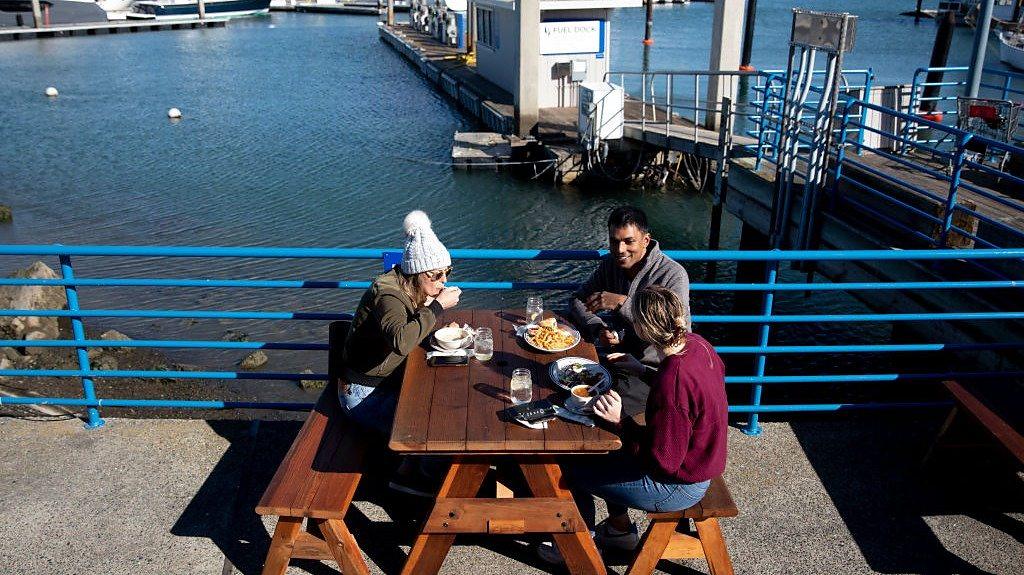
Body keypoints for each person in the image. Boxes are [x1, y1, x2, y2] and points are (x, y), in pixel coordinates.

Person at [540, 286, 728, 563]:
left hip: (678, 485)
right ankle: (619, 532)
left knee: (571, 471)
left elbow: (663, 460)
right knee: (604, 455)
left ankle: (578, 550)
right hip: (702, 460)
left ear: (642, 328)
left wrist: (621, 421)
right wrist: (641, 370)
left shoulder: (673, 380)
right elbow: (687, 397)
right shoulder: (697, 344)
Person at [340, 210, 461, 495]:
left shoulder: (408, 286)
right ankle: (419, 482)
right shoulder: (389, 295)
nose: (443, 281)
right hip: (362, 393)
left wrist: (432, 328)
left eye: (448, 273)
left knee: (445, 401)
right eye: (437, 275)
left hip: (385, 380)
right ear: (418, 274)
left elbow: (405, 332)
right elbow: (400, 341)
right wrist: (437, 308)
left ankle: (409, 467)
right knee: (438, 429)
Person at [569, 206, 691, 416]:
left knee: (597, 407)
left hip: (654, 370)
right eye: (614, 241)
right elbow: (578, 300)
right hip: (620, 358)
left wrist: (622, 304)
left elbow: (675, 330)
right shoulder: (610, 265)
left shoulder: (672, 275)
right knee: (571, 382)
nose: (620, 249)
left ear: (646, 240)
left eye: (628, 241)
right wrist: (598, 327)